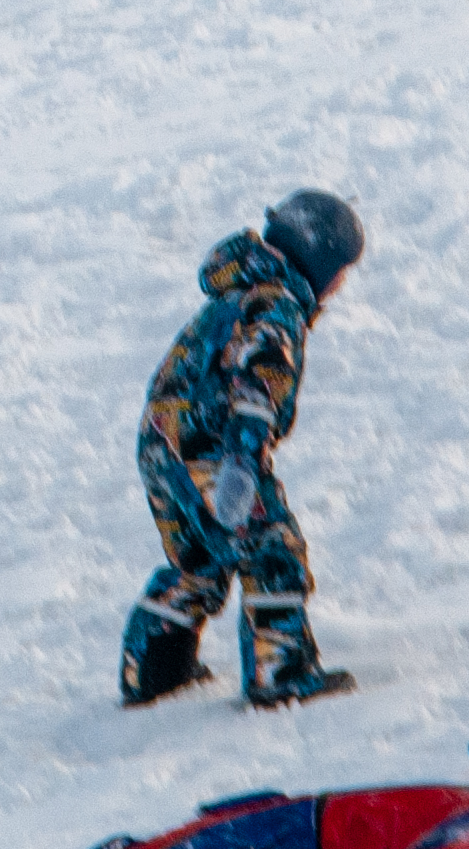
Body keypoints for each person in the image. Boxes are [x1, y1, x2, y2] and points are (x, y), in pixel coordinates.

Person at [121, 189, 368, 711]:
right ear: (317, 263)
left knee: (199, 559)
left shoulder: (238, 291)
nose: (340, 287)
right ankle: (280, 673)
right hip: (215, 450)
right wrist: (241, 463)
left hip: (159, 442)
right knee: (272, 548)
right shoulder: (276, 305)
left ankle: (155, 669)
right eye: (340, 273)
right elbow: (257, 386)